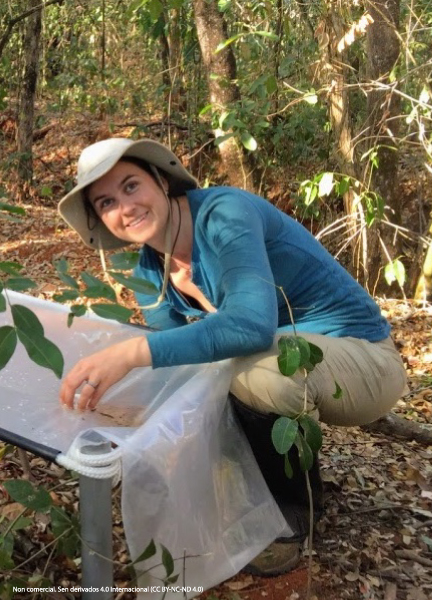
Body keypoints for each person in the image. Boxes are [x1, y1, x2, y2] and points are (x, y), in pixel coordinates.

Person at [58, 137, 407, 577]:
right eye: (107, 201)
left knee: (254, 371)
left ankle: (293, 512)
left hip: (365, 360)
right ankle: (256, 491)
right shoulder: (149, 270)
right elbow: (177, 362)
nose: (124, 207)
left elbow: (250, 324)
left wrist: (131, 353)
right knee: (212, 376)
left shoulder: (224, 213)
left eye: (131, 186)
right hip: (293, 359)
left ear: (162, 181)